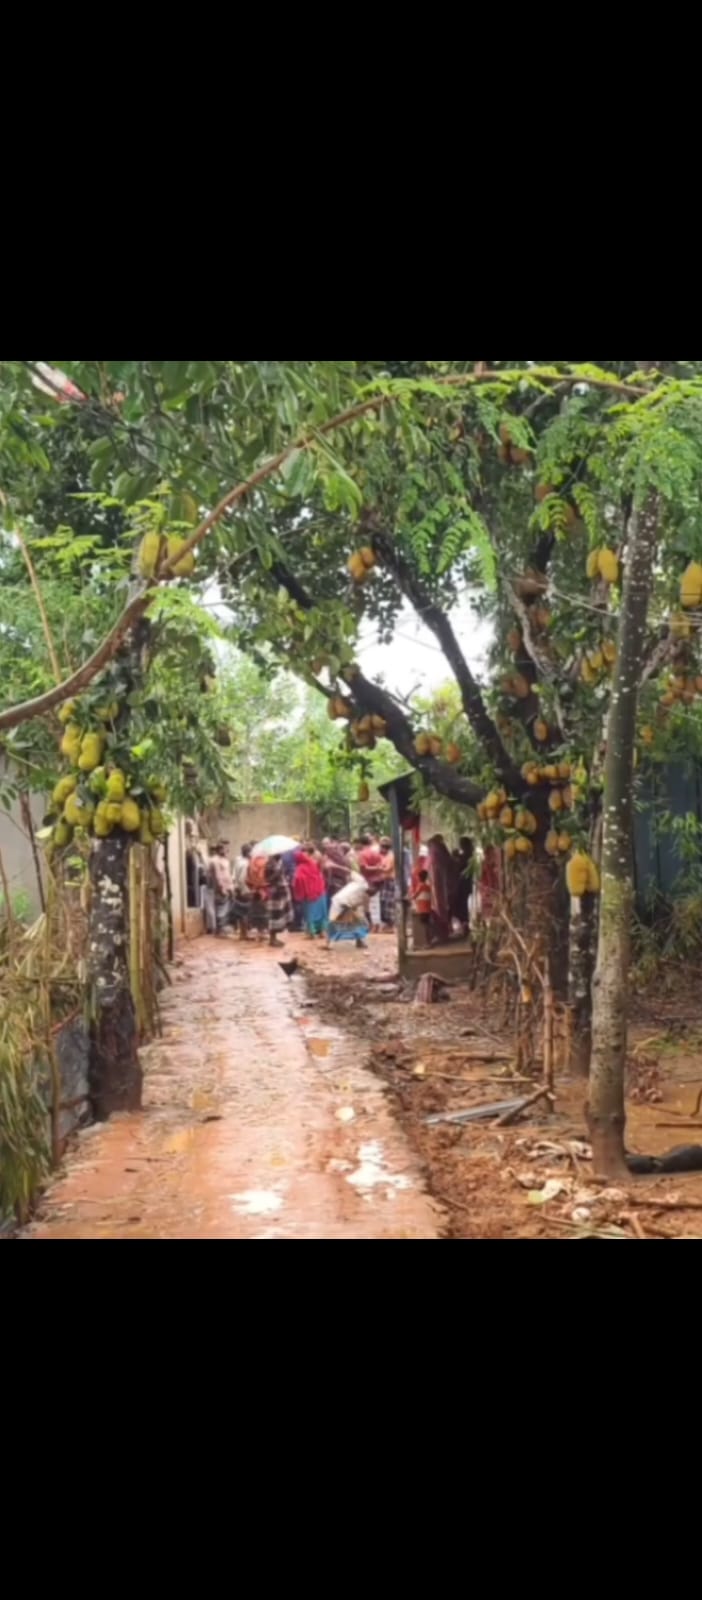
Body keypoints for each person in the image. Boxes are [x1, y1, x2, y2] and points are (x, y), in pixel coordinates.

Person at [328, 872, 373, 948]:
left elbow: (366, 912)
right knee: (333, 922)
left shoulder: (365, 894)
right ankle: (328, 943)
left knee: (359, 922)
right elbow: (350, 872)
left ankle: (359, 941)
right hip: (339, 902)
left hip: (347, 904)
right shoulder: (362, 883)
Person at [292, 848, 328, 939]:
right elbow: (320, 875)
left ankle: (311, 933)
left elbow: (297, 880)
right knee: (322, 912)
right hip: (320, 891)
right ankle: (322, 932)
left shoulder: (300, 868)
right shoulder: (314, 863)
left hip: (308, 894)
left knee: (309, 913)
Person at [265, 854, 293, 948]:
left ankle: (275, 938)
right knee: (274, 916)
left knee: (280, 915)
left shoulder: (279, 862)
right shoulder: (269, 864)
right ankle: (272, 939)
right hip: (274, 893)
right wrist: (277, 874)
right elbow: (267, 879)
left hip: (281, 892)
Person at [358, 834, 384, 933]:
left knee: (367, 905)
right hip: (378, 881)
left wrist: (373, 869)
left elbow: (363, 868)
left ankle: (372, 925)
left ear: (361, 843)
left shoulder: (362, 854)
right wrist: (377, 868)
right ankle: (377, 925)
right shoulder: (376, 853)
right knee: (376, 903)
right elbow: (381, 865)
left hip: (367, 881)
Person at [209, 841, 235, 936]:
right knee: (221, 909)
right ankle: (219, 930)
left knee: (226, 909)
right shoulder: (215, 861)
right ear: (219, 849)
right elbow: (217, 876)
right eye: (225, 848)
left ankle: (222, 929)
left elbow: (227, 874)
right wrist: (222, 888)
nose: (227, 850)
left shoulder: (225, 860)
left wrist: (231, 887)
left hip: (228, 887)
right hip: (220, 888)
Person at [451, 836, 474, 935]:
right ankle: (465, 924)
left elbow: (460, 867)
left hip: (464, 884)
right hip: (466, 884)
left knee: (462, 905)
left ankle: (465, 924)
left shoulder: (467, 856)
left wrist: (456, 858)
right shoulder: (468, 855)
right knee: (463, 905)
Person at [378, 837, 397, 932]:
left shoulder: (391, 856)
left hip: (390, 881)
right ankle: (388, 925)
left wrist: (377, 868)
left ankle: (391, 925)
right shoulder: (385, 856)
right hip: (385, 881)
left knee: (389, 903)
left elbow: (388, 869)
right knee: (384, 903)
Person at [412, 869, 433, 947]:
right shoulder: (428, 887)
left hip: (422, 909)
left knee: (425, 926)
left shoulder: (421, 886)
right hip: (427, 908)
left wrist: (409, 898)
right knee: (427, 925)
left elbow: (415, 895)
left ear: (419, 877)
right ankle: (429, 942)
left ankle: (427, 943)